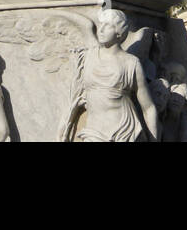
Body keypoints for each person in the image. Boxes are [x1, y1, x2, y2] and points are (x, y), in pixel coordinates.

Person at [60, 8, 159, 142]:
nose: (101, 29)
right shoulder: (88, 57)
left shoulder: (131, 63)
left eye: (108, 26)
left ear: (119, 32)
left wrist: (154, 139)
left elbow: (148, 107)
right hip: (93, 131)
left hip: (124, 132)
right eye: (101, 24)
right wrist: (64, 129)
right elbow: (72, 97)